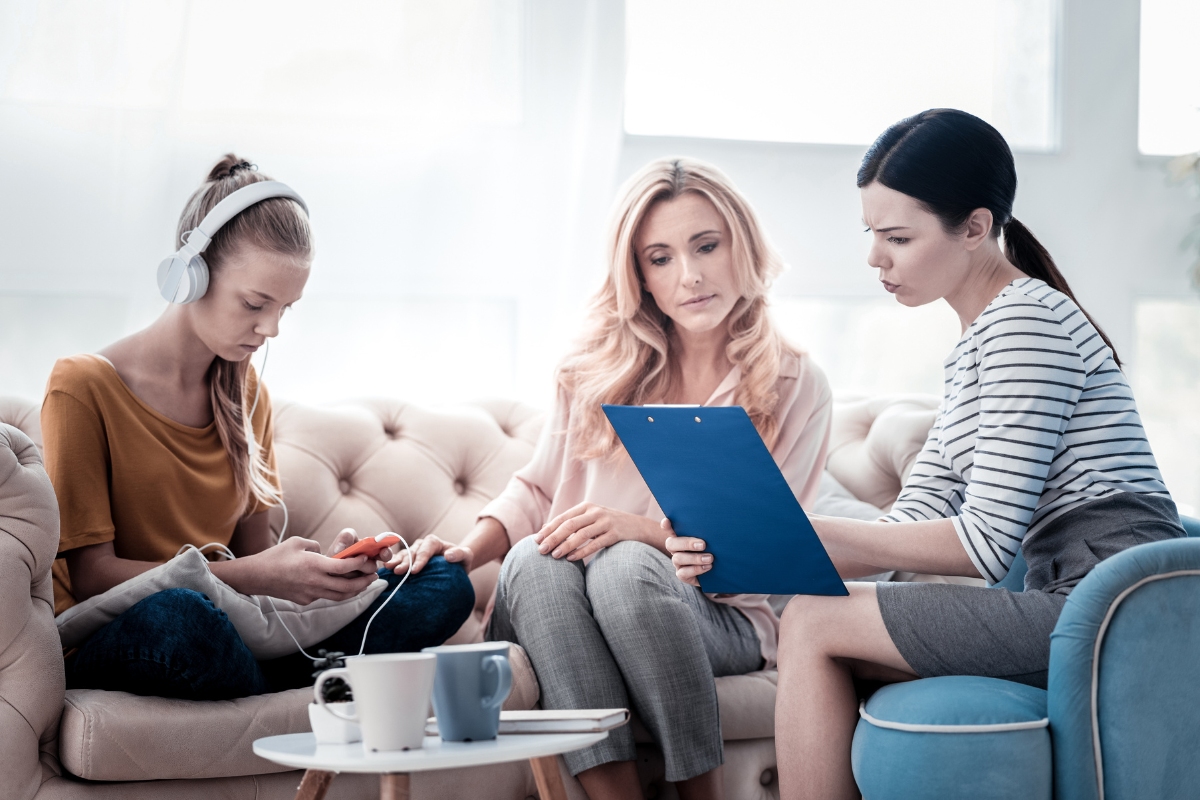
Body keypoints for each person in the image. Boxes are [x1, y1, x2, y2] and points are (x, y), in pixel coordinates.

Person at [666, 109, 1187, 800]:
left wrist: (802, 536)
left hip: (1113, 609)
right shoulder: (976, 345)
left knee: (818, 620)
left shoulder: (1027, 323)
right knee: (814, 617)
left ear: (974, 227)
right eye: (871, 234)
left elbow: (983, 545)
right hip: (1069, 598)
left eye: (897, 237)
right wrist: (762, 552)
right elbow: (905, 527)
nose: (875, 257)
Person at [388, 157, 832, 800]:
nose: (691, 275)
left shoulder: (794, 383)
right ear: (638, 275)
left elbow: (768, 550)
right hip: (562, 604)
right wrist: (466, 550)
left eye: (707, 245)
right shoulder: (592, 368)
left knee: (624, 565)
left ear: (743, 245)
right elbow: (537, 490)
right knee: (535, 559)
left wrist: (640, 534)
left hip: (720, 619)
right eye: (661, 258)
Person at [44, 155, 474, 701]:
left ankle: (282, 685)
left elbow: (254, 561)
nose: (269, 328)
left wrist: (319, 571)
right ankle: (309, 685)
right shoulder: (82, 387)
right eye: (254, 303)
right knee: (181, 618)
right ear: (189, 274)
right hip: (132, 629)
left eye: (285, 309)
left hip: (235, 622)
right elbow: (92, 578)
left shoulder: (248, 394)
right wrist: (260, 577)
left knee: (441, 581)